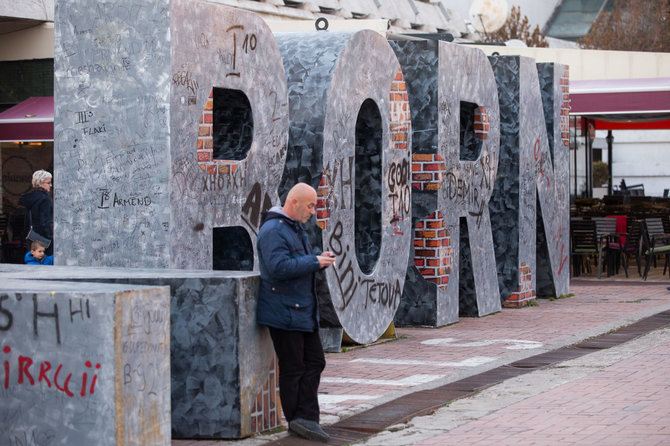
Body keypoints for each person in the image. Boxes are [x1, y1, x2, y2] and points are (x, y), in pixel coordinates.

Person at [256, 183, 336, 442]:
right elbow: (278, 267)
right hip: (284, 311)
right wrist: (314, 261)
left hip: (301, 310)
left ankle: (307, 417)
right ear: (294, 203)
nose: (313, 211)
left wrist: (317, 260)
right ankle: (299, 419)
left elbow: (294, 262)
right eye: (310, 205)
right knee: (293, 367)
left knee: (315, 361)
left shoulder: (293, 228)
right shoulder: (273, 230)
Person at [20, 170, 53, 255]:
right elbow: (45, 222)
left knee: (32, 264)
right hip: (43, 241)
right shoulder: (45, 199)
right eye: (48, 183)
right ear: (40, 183)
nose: (51, 185)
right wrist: (50, 237)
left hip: (32, 239)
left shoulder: (30, 198)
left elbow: (26, 222)